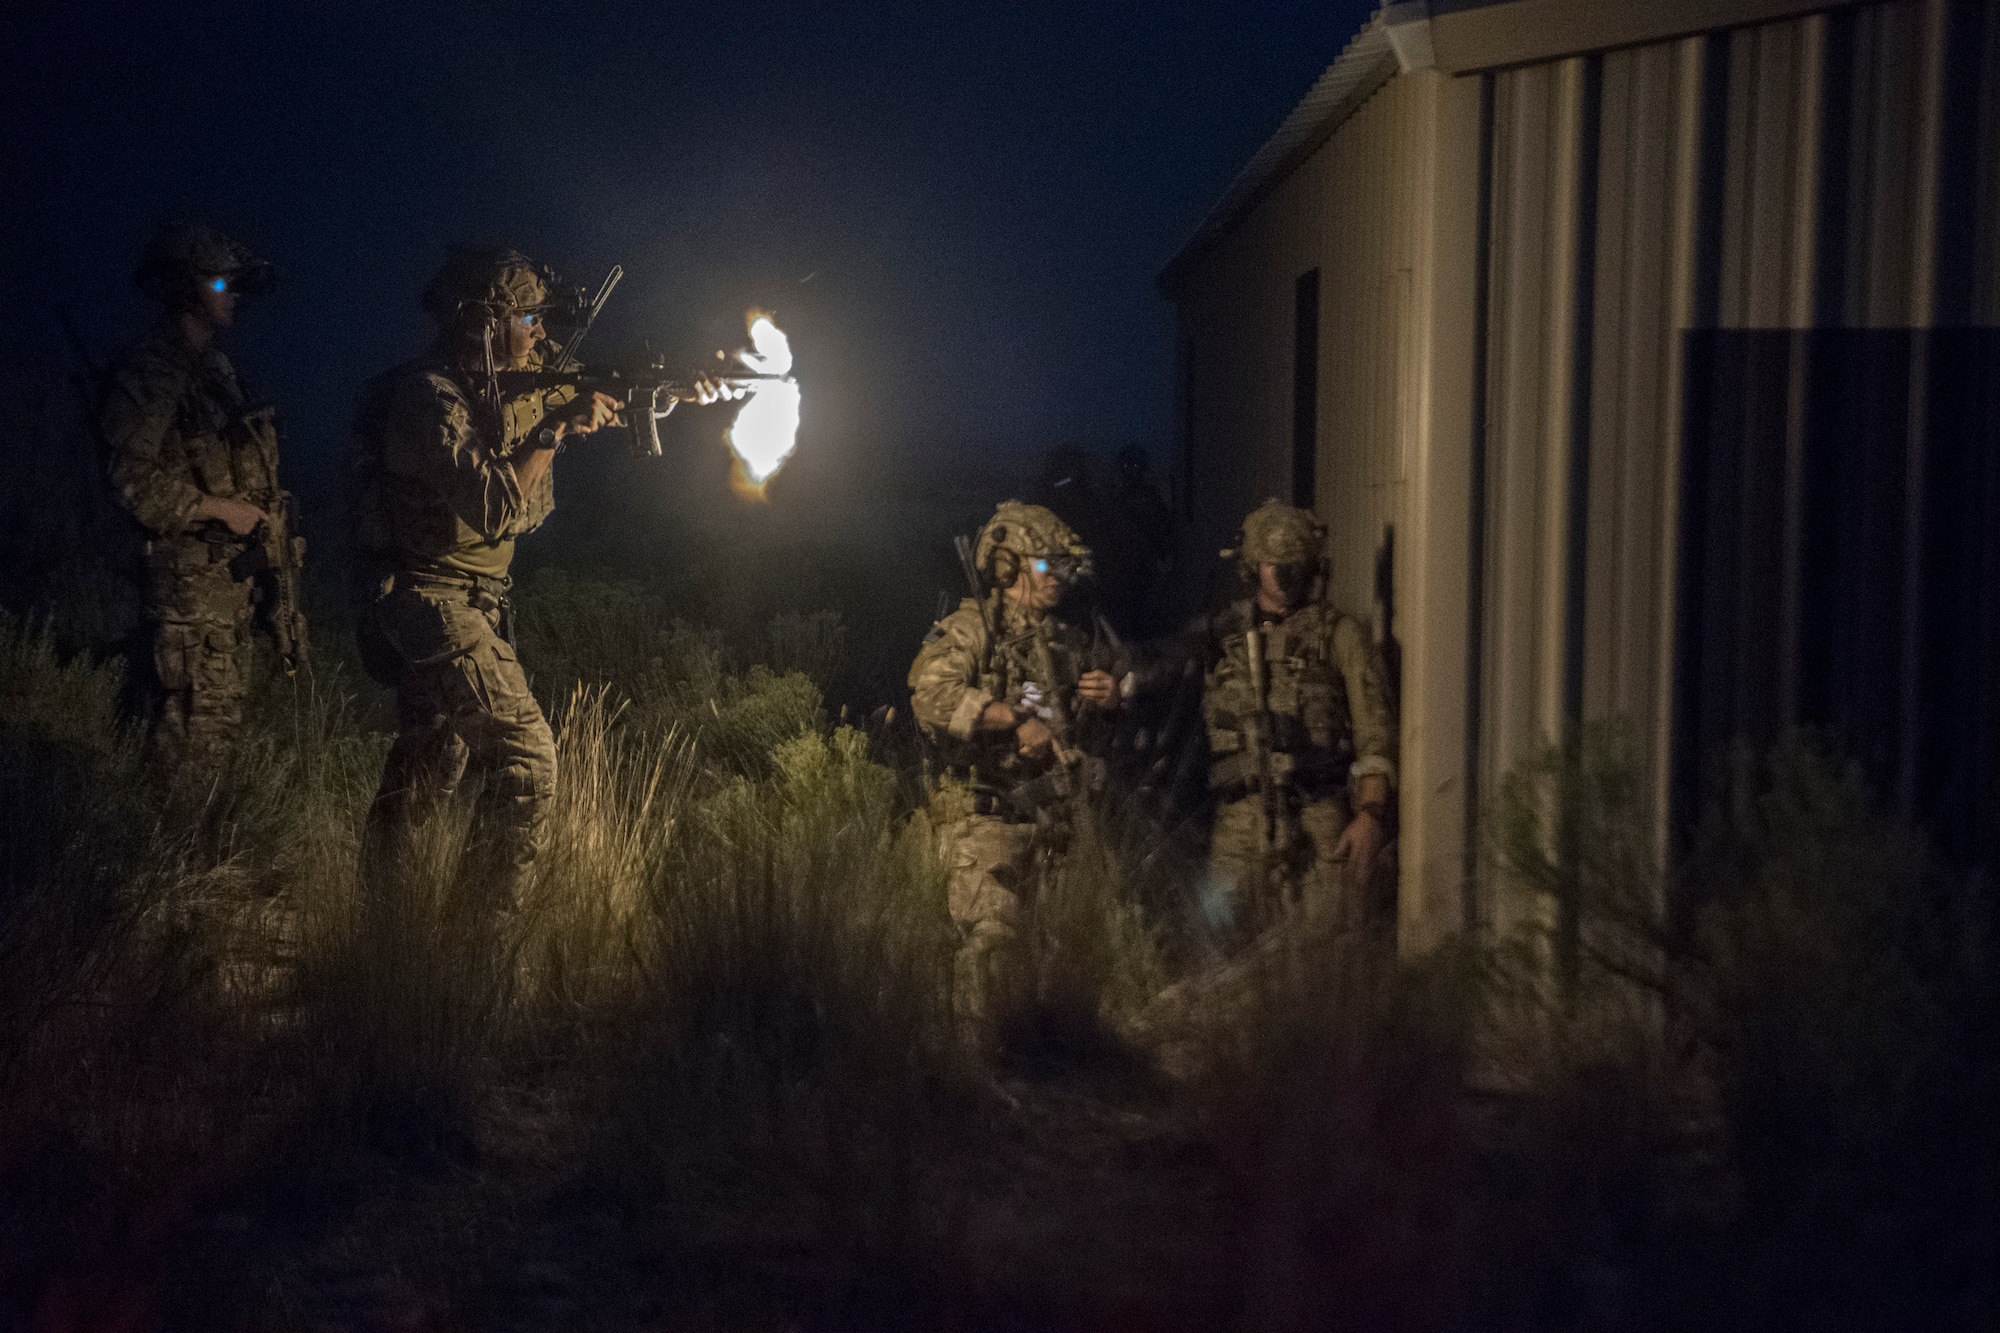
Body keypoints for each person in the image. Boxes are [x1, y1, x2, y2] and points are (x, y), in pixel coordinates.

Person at [348, 245, 726, 913]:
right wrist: (556, 429)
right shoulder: (429, 399)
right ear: (482, 320)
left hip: (469, 602)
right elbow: (495, 508)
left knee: (427, 771)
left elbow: (599, 389)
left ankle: (388, 943)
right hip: (428, 601)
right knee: (526, 761)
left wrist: (674, 389)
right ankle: (475, 957)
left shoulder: (511, 383)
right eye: (528, 318)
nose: (541, 333)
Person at [908, 502, 1126, 1043]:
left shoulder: (1066, 643)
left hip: (1054, 828)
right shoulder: (968, 629)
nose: (1058, 580)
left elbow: (1083, 742)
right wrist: (1010, 721)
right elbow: (929, 694)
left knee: (1055, 962)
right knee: (991, 951)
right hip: (986, 823)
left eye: (1060, 568)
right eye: (1045, 567)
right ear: (1008, 570)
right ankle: (974, 1080)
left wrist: (1107, 702)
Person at [98, 222, 303, 765]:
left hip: (225, 595)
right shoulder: (153, 370)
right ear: (185, 290)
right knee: (187, 755)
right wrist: (217, 510)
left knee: (214, 747)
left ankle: (191, 848)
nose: (231, 296)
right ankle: (167, 851)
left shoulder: (214, 370)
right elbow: (129, 478)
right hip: (188, 598)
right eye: (218, 285)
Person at [1153, 499, 1396, 945]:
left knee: (1323, 948)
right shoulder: (1221, 635)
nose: (1284, 580)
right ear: (1252, 568)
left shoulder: (1340, 635)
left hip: (1318, 815)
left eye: (1293, 567)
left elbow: (1375, 734)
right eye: (1273, 567)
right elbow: (1158, 666)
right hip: (1239, 821)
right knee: (1221, 944)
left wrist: (1370, 815)